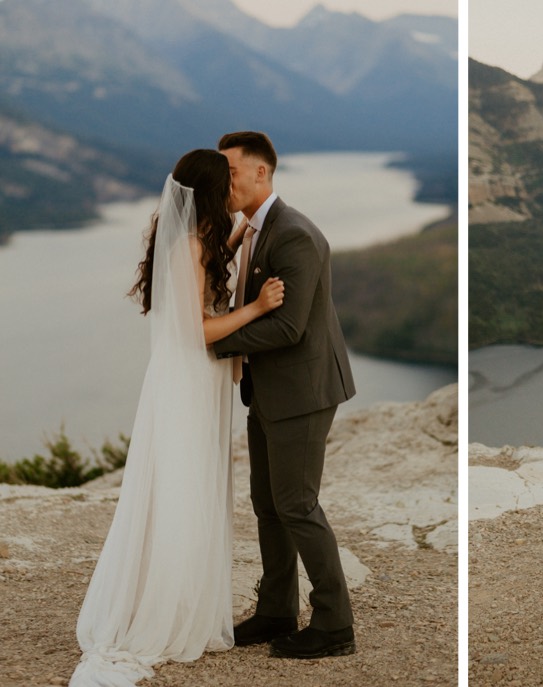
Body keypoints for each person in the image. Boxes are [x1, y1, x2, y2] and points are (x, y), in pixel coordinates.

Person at [72, 149, 286, 686]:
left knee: (192, 486)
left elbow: (212, 268)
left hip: (196, 379)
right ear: (210, 194)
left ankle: (182, 596)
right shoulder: (189, 246)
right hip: (190, 379)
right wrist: (257, 308)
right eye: (227, 183)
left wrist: (240, 235)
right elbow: (198, 328)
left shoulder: (197, 240)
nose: (233, 189)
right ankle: (165, 609)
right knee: (183, 488)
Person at [212, 131, 359, 658]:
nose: (223, 183)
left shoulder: (293, 233)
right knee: (267, 504)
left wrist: (212, 343)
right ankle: (276, 610)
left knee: (297, 504)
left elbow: (289, 328)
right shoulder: (248, 230)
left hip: (302, 389)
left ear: (262, 173)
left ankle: (335, 625)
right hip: (268, 390)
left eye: (229, 173)